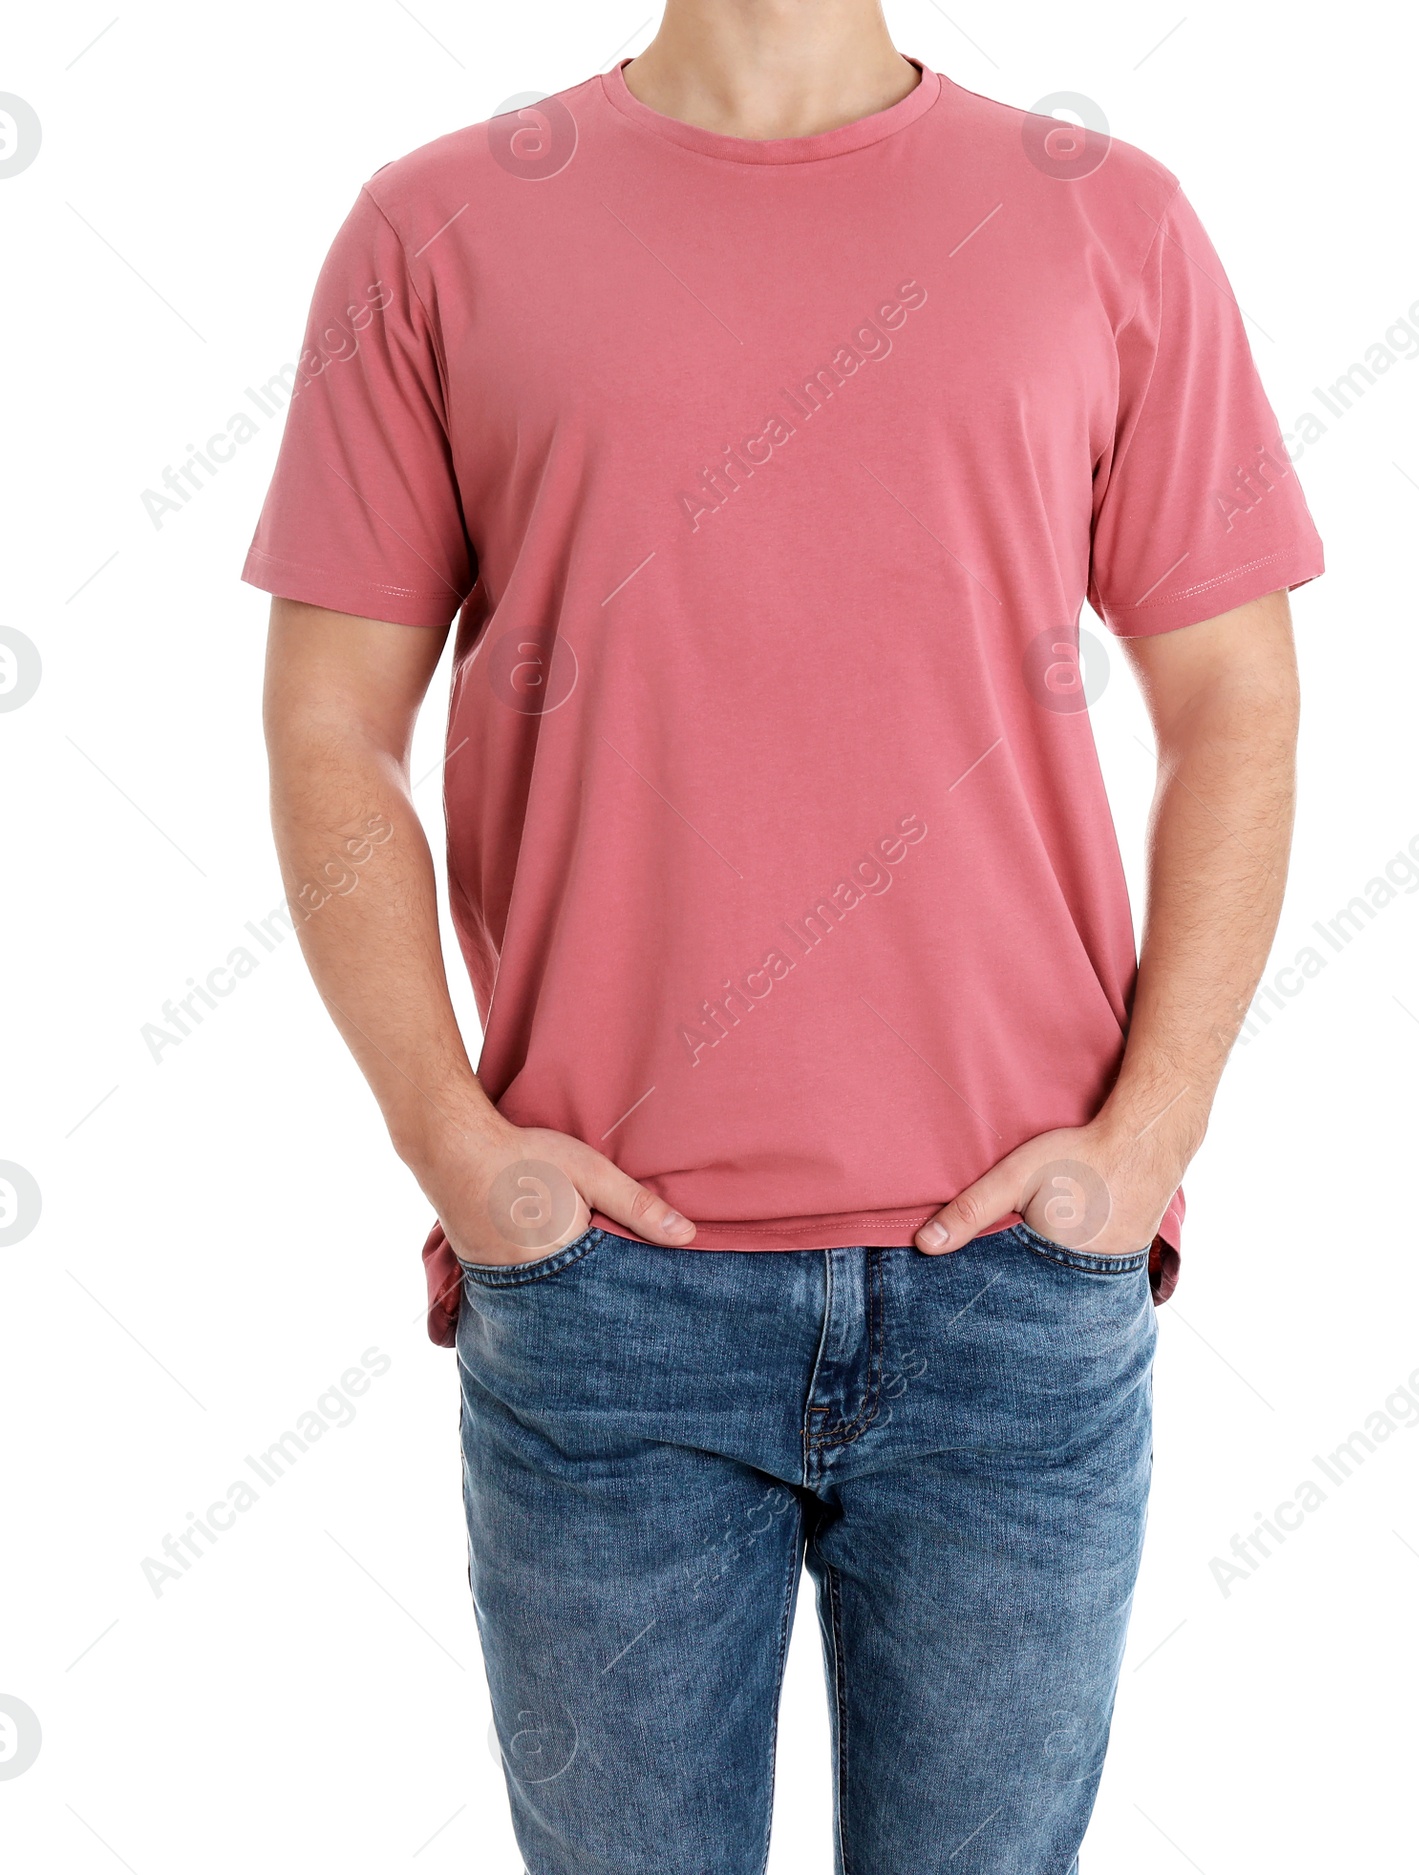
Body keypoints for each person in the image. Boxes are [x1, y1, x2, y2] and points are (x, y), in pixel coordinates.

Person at [250, 2, 1321, 1867]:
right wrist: (452, 1142)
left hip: (1015, 1285)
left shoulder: (1103, 220)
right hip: (606, 1302)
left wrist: (1151, 1139)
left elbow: (1234, 695)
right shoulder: (437, 229)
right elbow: (332, 720)